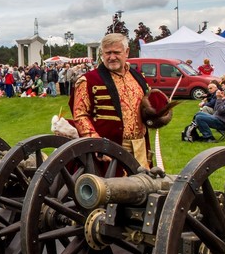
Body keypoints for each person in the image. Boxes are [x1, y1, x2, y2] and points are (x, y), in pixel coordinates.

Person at [70, 33, 173, 169]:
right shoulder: (88, 80)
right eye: (108, 53)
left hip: (140, 146)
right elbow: (80, 114)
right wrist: (97, 143)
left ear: (127, 52)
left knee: (145, 186)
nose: (112, 57)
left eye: (116, 52)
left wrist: (157, 113)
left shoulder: (137, 77)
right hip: (109, 152)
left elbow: (146, 105)